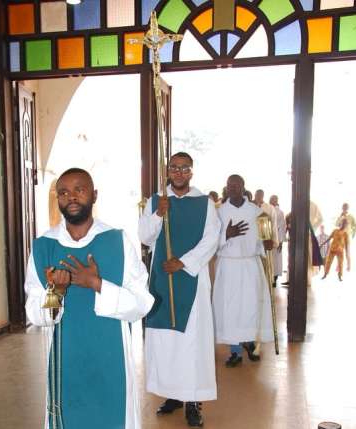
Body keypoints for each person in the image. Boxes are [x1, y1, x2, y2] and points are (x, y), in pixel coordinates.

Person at [25, 168, 154, 429]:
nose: (71, 197)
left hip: (111, 359)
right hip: (66, 362)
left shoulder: (117, 241)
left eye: (79, 190)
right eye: (63, 192)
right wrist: (56, 293)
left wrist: (97, 284)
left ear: (94, 195)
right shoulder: (43, 246)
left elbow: (142, 303)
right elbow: (35, 314)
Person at [138, 152, 220, 427]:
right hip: (162, 280)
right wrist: (159, 214)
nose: (180, 173)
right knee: (165, 340)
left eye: (185, 168)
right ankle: (173, 393)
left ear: (192, 172)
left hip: (191, 282)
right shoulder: (156, 201)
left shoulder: (205, 203)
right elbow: (145, 237)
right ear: (168, 171)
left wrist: (183, 262)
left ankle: (193, 401)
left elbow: (211, 239)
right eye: (175, 168)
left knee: (192, 343)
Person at [213, 175, 274, 367]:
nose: (233, 188)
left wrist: (268, 242)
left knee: (251, 307)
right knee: (230, 310)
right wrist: (225, 234)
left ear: (243, 187)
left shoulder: (257, 212)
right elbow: (209, 242)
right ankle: (235, 352)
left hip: (250, 265)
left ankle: (250, 343)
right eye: (230, 185)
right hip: (228, 266)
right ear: (226, 188)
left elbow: (267, 243)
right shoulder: (219, 213)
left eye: (236, 185)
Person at [269, 195, 286, 287]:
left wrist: (281, 242)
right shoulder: (268, 209)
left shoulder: (279, 212)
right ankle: (271, 277)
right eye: (271, 199)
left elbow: (282, 227)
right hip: (271, 238)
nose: (271, 201)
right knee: (272, 259)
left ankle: (274, 278)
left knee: (275, 259)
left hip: (276, 238)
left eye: (273, 199)